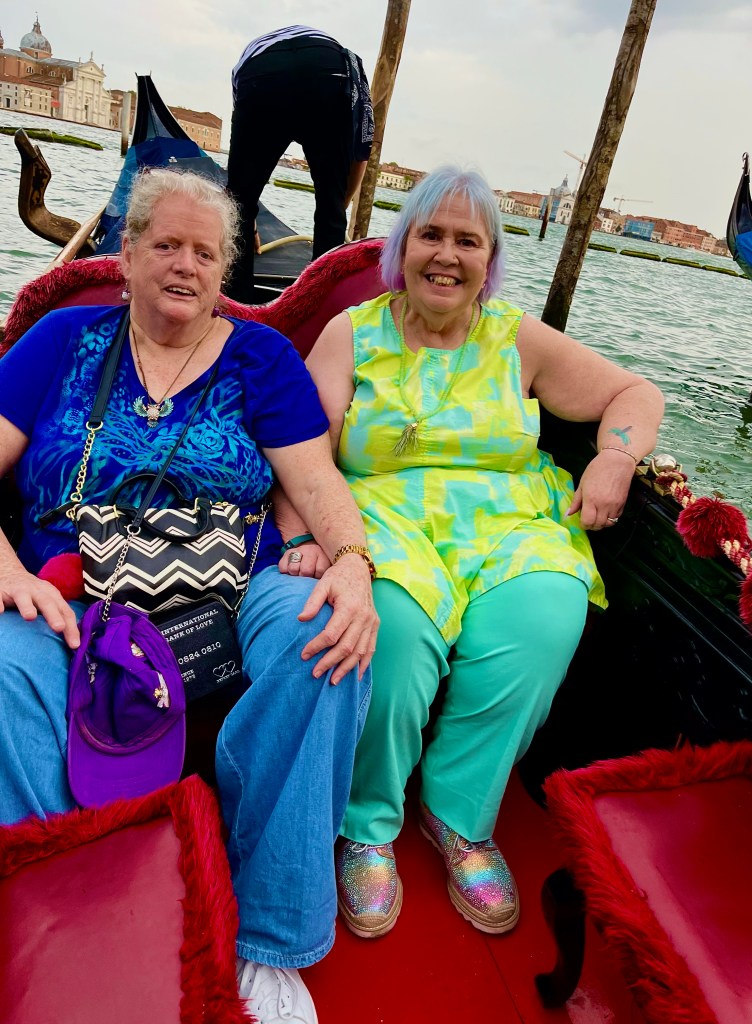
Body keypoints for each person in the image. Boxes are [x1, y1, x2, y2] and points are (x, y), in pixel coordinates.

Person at [0, 169, 379, 1024]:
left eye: (205, 253)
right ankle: (64, 907)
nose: (185, 265)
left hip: (232, 585)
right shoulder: (63, 340)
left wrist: (353, 563)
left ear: (225, 270)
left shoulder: (261, 358)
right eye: (166, 244)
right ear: (126, 253)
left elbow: (316, 483)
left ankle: (270, 940)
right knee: (3, 663)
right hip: (73, 591)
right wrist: (7, 570)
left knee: (325, 637)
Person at [274, 165, 664, 939]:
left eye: (468, 240)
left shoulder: (515, 338)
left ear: (490, 260)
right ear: (402, 247)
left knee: (549, 611)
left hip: (510, 523)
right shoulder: (352, 334)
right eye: (431, 235)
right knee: (388, 629)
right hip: (382, 519)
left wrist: (616, 458)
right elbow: (301, 448)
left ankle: (459, 814)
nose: (447, 255)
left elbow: (636, 393)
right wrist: (303, 536)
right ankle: (368, 821)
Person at [226, 25, 374, 303]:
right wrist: (338, 207)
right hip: (329, 70)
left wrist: (245, 222)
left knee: (239, 204)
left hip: (261, 69)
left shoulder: (246, 60)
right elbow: (361, 149)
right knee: (330, 207)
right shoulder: (342, 57)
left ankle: (237, 303)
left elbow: (240, 188)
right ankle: (321, 305)